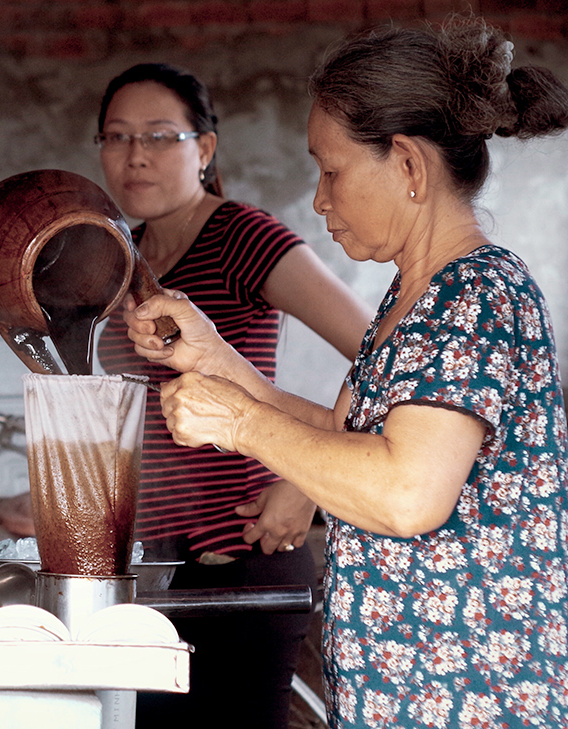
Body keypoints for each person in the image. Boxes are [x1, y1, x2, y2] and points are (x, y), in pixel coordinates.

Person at [124, 18, 568, 728]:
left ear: (407, 166)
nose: (319, 199)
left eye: (331, 170)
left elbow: (406, 494)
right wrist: (215, 357)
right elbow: (344, 438)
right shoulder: (413, 299)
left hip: (475, 703)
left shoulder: (478, 295)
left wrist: (240, 423)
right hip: (401, 701)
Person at [93, 63, 374, 728]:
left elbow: (380, 350)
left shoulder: (242, 236)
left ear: (205, 149)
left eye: (160, 136)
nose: (135, 156)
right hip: (149, 572)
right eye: (116, 136)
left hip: (243, 560)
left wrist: (308, 486)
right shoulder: (118, 257)